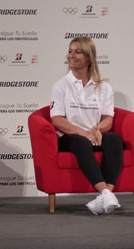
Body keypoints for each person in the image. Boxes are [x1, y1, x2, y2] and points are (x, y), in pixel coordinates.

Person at [50, 37, 123, 215]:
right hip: (70, 137)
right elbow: (57, 120)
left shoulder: (103, 87)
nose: (71, 56)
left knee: (114, 139)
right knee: (81, 142)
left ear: (89, 58)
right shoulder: (61, 85)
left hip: (93, 135)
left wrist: (97, 129)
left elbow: (108, 119)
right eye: (70, 51)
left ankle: (106, 196)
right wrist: (84, 133)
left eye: (77, 51)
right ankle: (105, 193)